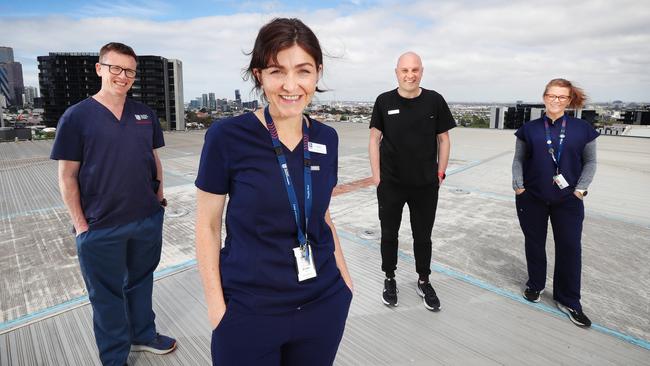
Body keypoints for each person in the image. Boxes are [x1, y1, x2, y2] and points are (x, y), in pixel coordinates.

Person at [195, 18, 353, 366]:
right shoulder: (227, 137)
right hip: (250, 310)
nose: (291, 85)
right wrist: (217, 310)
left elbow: (322, 213)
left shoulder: (327, 138)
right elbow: (207, 225)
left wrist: (345, 281)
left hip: (323, 304)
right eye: (277, 71)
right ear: (258, 76)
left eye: (303, 71)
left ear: (317, 74)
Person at [51, 42, 176, 365]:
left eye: (129, 71)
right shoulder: (76, 117)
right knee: (106, 296)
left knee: (140, 282)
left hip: (146, 218)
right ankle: (115, 357)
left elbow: (154, 160)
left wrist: (159, 200)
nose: (122, 76)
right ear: (100, 69)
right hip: (100, 225)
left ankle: (143, 335)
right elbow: (67, 176)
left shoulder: (144, 114)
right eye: (115, 68)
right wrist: (80, 225)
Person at [369, 52, 455, 311]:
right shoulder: (384, 101)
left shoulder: (434, 100)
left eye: (415, 70)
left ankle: (423, 279)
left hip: (425, 185)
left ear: (422, 71)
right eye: (405, 70)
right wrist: (377, 178)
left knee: (423, 237)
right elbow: (374, 139)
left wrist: (440, 173)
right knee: (388, 235)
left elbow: (444, 140)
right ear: (396, 72)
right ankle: (390, 278)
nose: (410, 75)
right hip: (391, 184)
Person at [512, 78, 599, 327]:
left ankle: (569, 299)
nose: (556, 101)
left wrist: (581, 189)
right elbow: (519, 159)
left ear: (569, 101)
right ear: (544, 97)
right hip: (532, 197)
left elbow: (591, 162)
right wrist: (518, 185)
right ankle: (535, 285)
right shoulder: (529, 129)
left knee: (570, 248)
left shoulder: (583, 129)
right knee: (535, 243)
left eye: (562, 97)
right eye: (552, 95)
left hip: (568, 200)